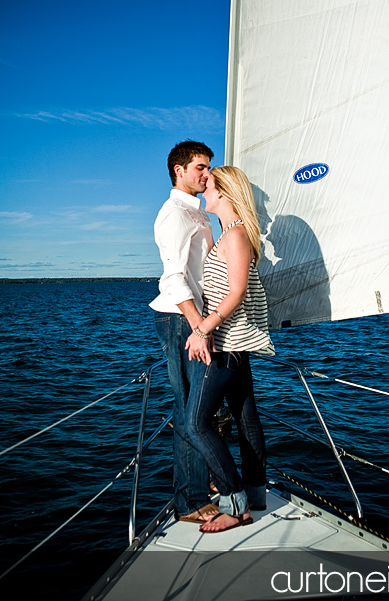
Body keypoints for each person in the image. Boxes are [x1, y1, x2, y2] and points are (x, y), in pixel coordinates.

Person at [185, 166, 275, 533]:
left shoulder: (236, 235)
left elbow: (235, 292)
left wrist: (202, 328)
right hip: (235, 343)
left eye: (209, 184)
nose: (204, 188)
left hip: (226, 345)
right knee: (246, 418)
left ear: (224, 193)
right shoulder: (228, 235)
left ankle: (235, 503)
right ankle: (254, 494)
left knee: (195, 423)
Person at [149, 140, 218, 522]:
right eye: (200, 168)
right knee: (190, 405)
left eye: (208, 167)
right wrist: (198, 326)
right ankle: (189, 500)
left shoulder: (199, 213)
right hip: (181, 319)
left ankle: (201, 477)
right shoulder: (174, 214)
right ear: (180, 170)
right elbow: (174, 277)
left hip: (197, 320)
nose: (207, 174)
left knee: (200, 405)